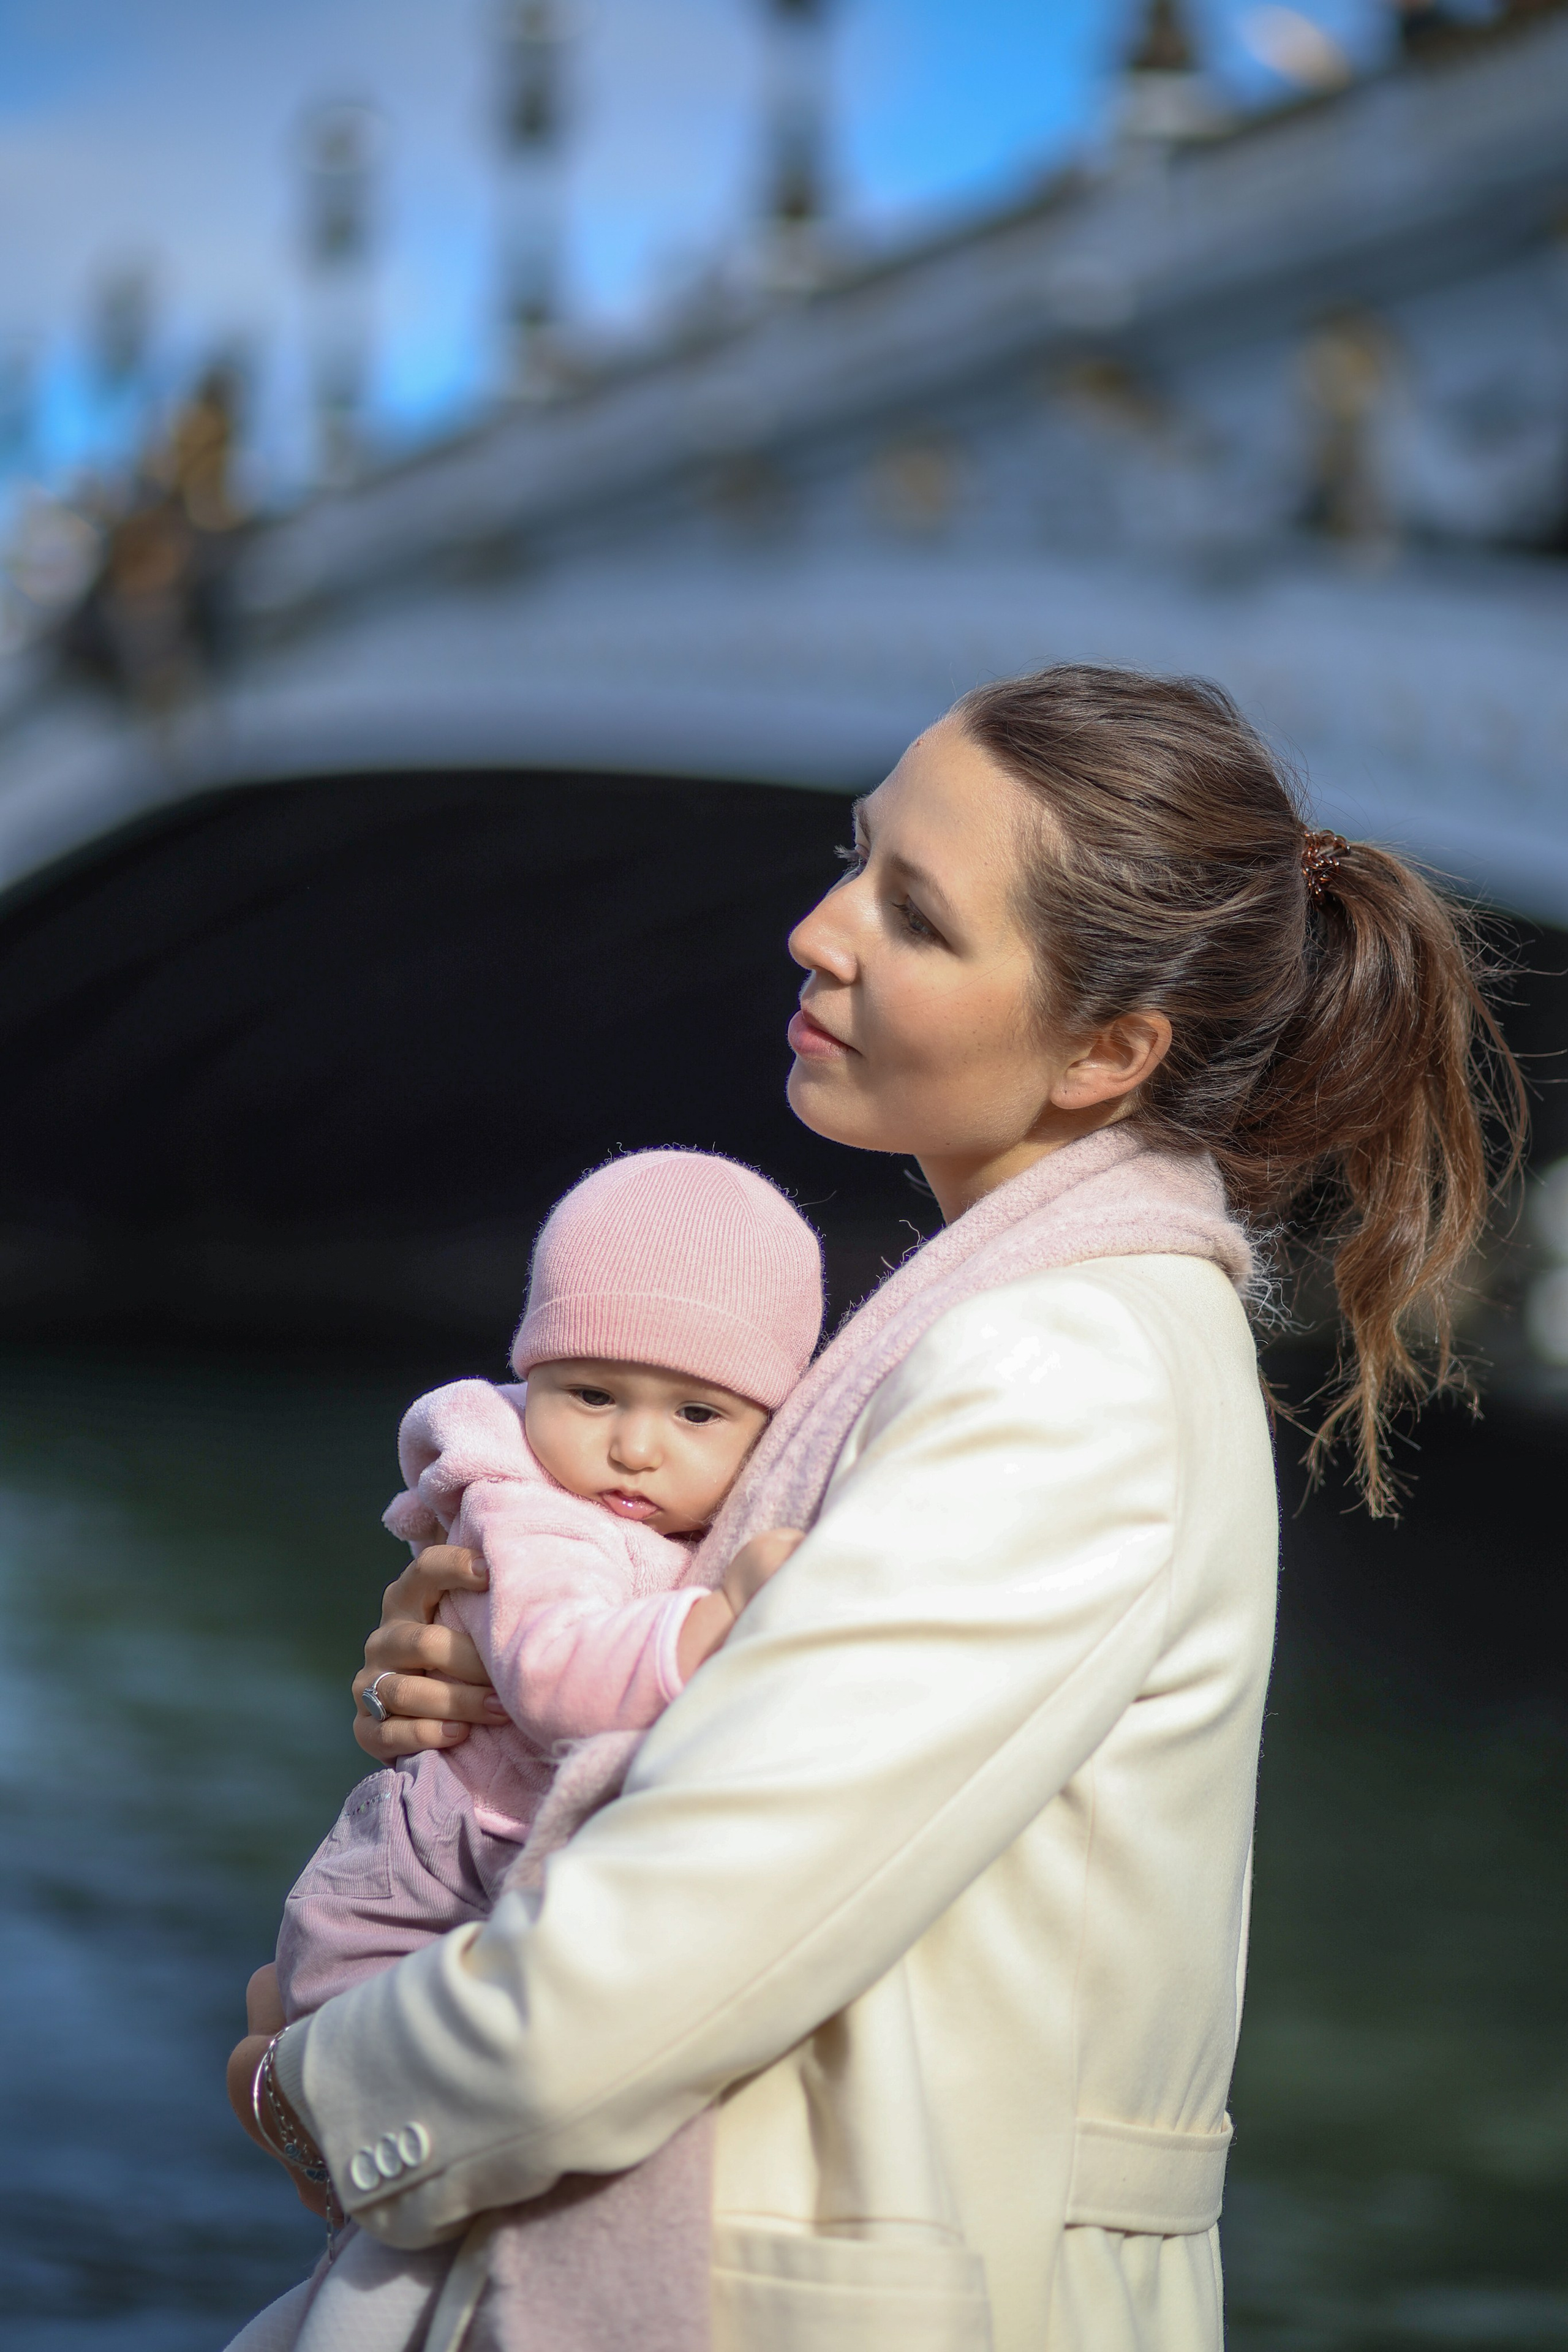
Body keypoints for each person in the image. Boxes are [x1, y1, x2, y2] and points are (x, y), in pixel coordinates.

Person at [228, 666, 1521, 2352]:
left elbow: (692, 1919)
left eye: (912, 914)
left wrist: (313, 2087)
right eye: (854, 861)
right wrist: (510, 1660)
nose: (818, 931)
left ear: (1108, 1051)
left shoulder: (1059, 1373)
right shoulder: (1014, 1330)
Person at [275, 1148, 824, 2024]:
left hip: (501, 1881)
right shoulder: (532, 1514)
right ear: (532, 1385)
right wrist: (723, 1618)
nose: (636, 1448)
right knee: (360, 2086)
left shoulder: (659, 1514)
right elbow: (552, 1671)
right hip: (418, 1899)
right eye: (594, 1395)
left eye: (696, 1413)